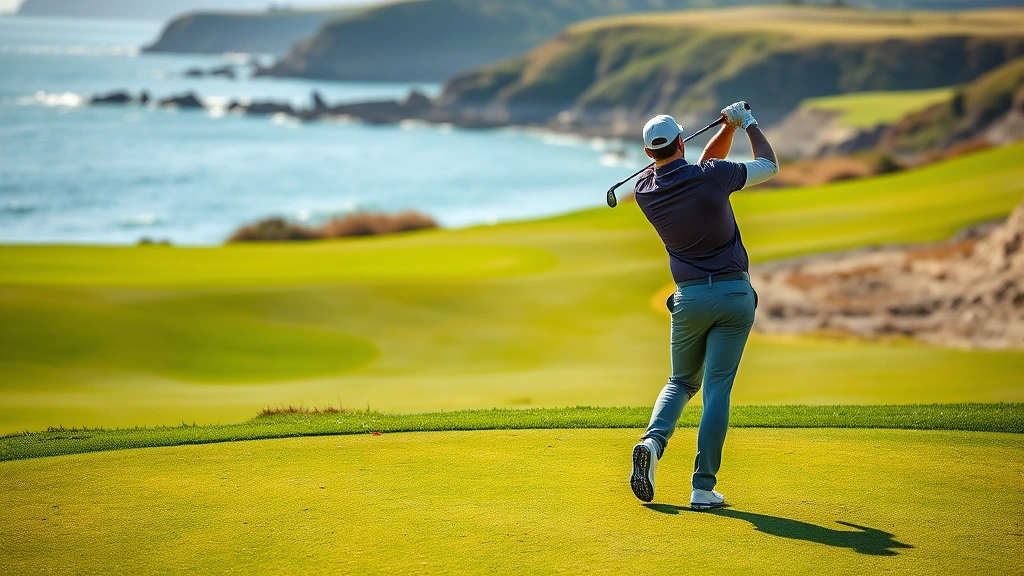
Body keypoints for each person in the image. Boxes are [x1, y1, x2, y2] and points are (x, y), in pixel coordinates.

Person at [628, 101, 778, 509]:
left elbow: (700, 169)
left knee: (680, 382)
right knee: (716, 391)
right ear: (681, 140)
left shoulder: (645, 191)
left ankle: (652, 444)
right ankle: (702, 487)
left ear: (647, 154)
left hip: (689, 299)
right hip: (733, 296)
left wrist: (724, 130)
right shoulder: (710, 178)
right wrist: (745, 122)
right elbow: (768, 164)